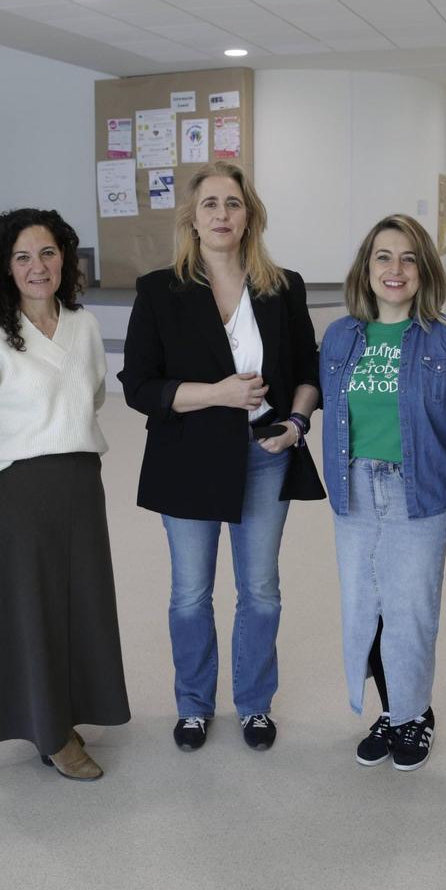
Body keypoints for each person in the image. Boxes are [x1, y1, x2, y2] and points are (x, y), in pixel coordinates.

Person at [119, 161, 321, 752]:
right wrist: (218, 394)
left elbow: (308, 372)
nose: (222, 215)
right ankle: (193, 705)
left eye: (233, 203)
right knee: (190, 594)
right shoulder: (159, 290)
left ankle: (254, 704)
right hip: (187, 457)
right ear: (192, 217)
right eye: (210, 204)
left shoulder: (283, 287)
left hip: (265, 454)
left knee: (261, 591)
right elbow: (139, 386)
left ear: (250, 215)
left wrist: (297, 424)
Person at [0, 208, 130, 781]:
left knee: (79, 604)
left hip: (80, 485)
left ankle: (68, 711)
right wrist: (5, 483)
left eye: (47, 253)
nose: (37, 266)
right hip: (18, 495)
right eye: (22, 256)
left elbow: (91, 396)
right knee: (30, 612)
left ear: (65, 258)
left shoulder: (85, 326)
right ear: (5, 267)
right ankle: (51, 735)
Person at [320, 215, 446, 771]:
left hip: (419, 492)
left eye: (409, 258)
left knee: (410, 612)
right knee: (364, 610)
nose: (396, 269)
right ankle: (390, 710)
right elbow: (333, 411)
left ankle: (415, 715)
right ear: (366, 269)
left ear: (425, 270)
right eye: (383, 257)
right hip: (354, 490)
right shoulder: (340, 335)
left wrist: (436, 471)